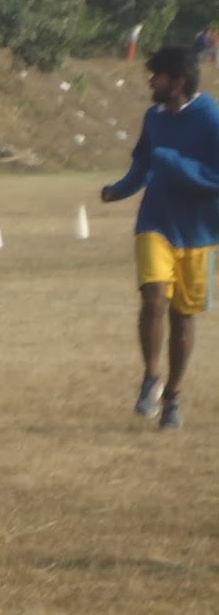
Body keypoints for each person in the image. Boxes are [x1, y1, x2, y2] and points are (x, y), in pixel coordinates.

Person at [100, 45, 219, 431]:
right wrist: (119, 190)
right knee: (154, 299)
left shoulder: (211, 119)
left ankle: (173, 396)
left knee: (183, 317)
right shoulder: (153, 118)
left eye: (157, 76)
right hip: (156, 222)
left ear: (178, 81)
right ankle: (152, 376)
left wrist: (173, 162)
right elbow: (143, 164)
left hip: (199, 233)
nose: (151, 82)